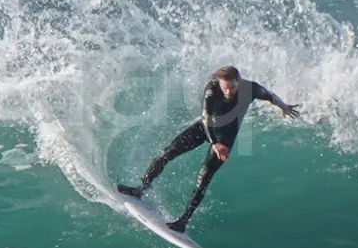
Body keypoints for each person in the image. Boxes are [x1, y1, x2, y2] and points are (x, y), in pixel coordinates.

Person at [120, 66, 300, 232]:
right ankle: (141, 188)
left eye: (232, 87)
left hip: (226, 136)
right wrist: (214, 143)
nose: (228, 91)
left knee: (204, 177)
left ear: (239, 81)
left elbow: (270, 95)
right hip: (206, 128)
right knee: (166, 153)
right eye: (225, 88)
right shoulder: (212, 89)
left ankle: (183, 221)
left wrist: (284, 107)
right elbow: (205, 117)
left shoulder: (250, 89)